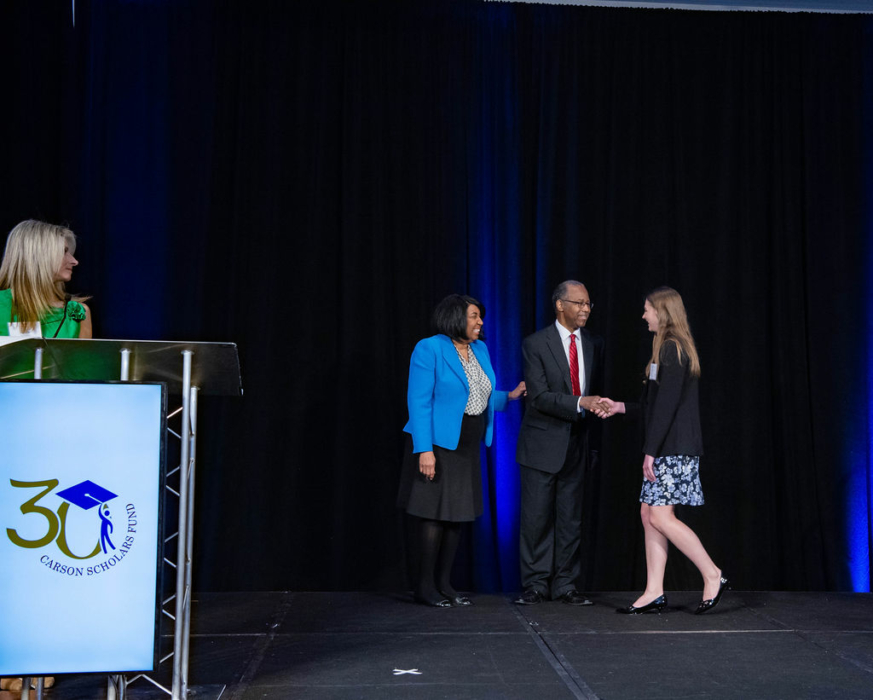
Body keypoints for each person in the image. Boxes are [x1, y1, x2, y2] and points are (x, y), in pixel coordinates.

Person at [596, 287, 727, 615]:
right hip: (667, 445)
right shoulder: (664, 348)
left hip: (673, 447)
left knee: (659, 516)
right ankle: (654, 590)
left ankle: (712, 573)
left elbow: (666, 408)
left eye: (647, 310)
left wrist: (651, 451)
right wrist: (619, 407)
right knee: (648, 514)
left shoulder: (672, 348)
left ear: (662, 312)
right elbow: (652, 405)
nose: (644, 316)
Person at [398, 294, 525, 607]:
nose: (480, 322)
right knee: (433, 514)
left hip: (467, 446)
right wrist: (424, 450)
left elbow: (478, 394)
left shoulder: (479, 349)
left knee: (457, 514)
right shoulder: (430, 348)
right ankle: (424, 587)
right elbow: (419, 401)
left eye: (480, 316)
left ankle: (444, 583)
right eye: (474, 316)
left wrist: (508, 397)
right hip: (438, 444)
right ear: (455, 317)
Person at [514, 280, 603, 606]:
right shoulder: (535, 343)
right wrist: (580, 402)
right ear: (560, 305)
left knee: (570, 520)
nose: (585, 309)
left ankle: (566, 584)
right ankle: (536, 584)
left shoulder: (593, 343)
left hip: (577, 445)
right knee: (536, 519)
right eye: (579, 303)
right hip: (541, 445)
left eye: (588, 303)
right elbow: (538, 397)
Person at [0, 220, 92, 339]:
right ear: (36, 256)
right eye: (63, 252)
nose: (74, 261)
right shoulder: (2, 304)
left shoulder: (78, 313)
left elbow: (82, 352)